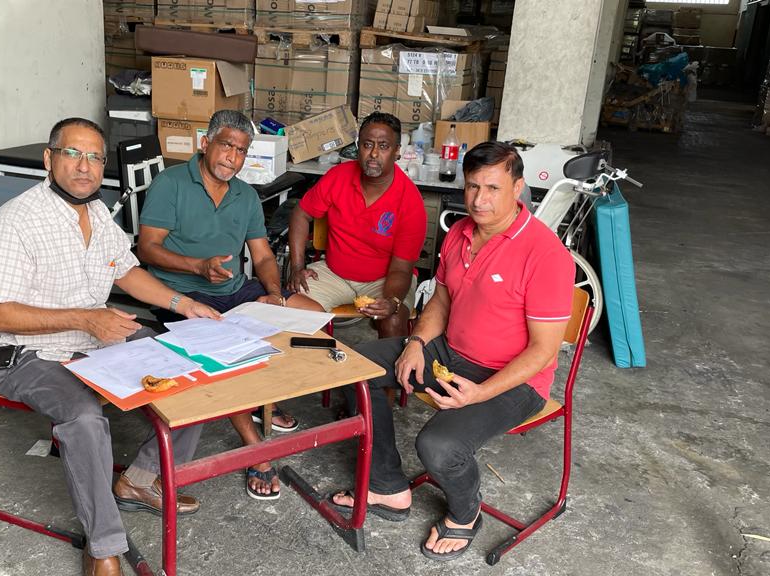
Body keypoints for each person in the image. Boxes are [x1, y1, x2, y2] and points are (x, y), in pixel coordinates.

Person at [0, 118, 220, 576]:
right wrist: (85, 318)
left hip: (96, 337)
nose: (84, 166)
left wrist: (184, 304)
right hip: (29, 354)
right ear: (49, 159)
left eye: (94, 157)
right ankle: (103, 545)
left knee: (192, 369)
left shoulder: (99, 212)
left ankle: (138, 481)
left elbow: (126, 271)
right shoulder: (16, 221)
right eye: (72, 154)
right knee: (84, 417)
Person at [329, 141, 575, 561]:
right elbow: (442, 300)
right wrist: (416, 343)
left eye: (493, 188)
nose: (479, 200)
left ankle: (465, 513)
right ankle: (387, 487)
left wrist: (480, 393)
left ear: (518, 189)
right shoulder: (460, 232)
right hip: (449, 352)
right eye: (473, 186)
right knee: (353, 368)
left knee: (439, 447)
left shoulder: (545, 254)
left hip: (513, 379)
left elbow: (543, 351)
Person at [136, 109, 296, 501]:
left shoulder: (245, 195)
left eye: (241, 151)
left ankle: (263, 398)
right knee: (224, 356)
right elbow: (147, 249)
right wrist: (197, 266)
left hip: (233, 289)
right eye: (226, 146)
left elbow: (262, 256)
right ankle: (255, 450)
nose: (233, 158)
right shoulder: (171, 183)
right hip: (181, 295)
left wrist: (274, 294)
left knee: (302, 315)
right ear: (205, 144)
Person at [286, 112, 427, 339]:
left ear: (397, 151)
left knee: (392, 320)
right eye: (367, 144)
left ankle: (384, 364)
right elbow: (301, 214)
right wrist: (297, 267)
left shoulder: (410, 200)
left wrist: (392, 301)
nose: (374, 153)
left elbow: (401, 268)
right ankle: (320, 359)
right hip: (334, 273)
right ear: (358, 147)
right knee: (292, 305)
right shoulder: (338, 176)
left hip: (385, 280)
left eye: (383, 146)